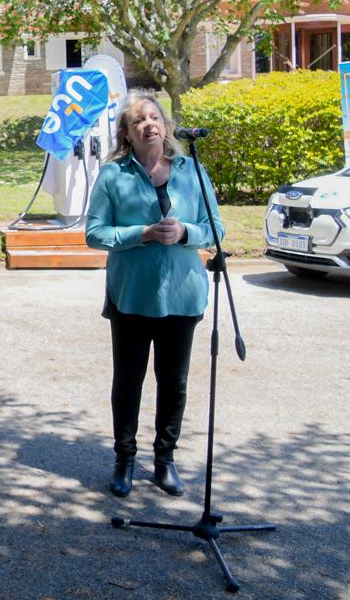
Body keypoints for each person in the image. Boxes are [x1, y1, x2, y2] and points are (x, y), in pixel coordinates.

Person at [85, 92, 224, 499]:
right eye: (138, 120)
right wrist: (141, 234)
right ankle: (124, 460)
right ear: (126, 134)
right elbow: (94, 234)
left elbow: (215, 226)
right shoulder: (113, 176)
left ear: (164, 124)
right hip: (132, 296)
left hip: (182, 296)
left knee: (174, 382)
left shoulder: (191, 170)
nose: (149, 124)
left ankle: (165, 461)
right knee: (128, 381)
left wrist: (186, 233)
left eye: (154, 117)